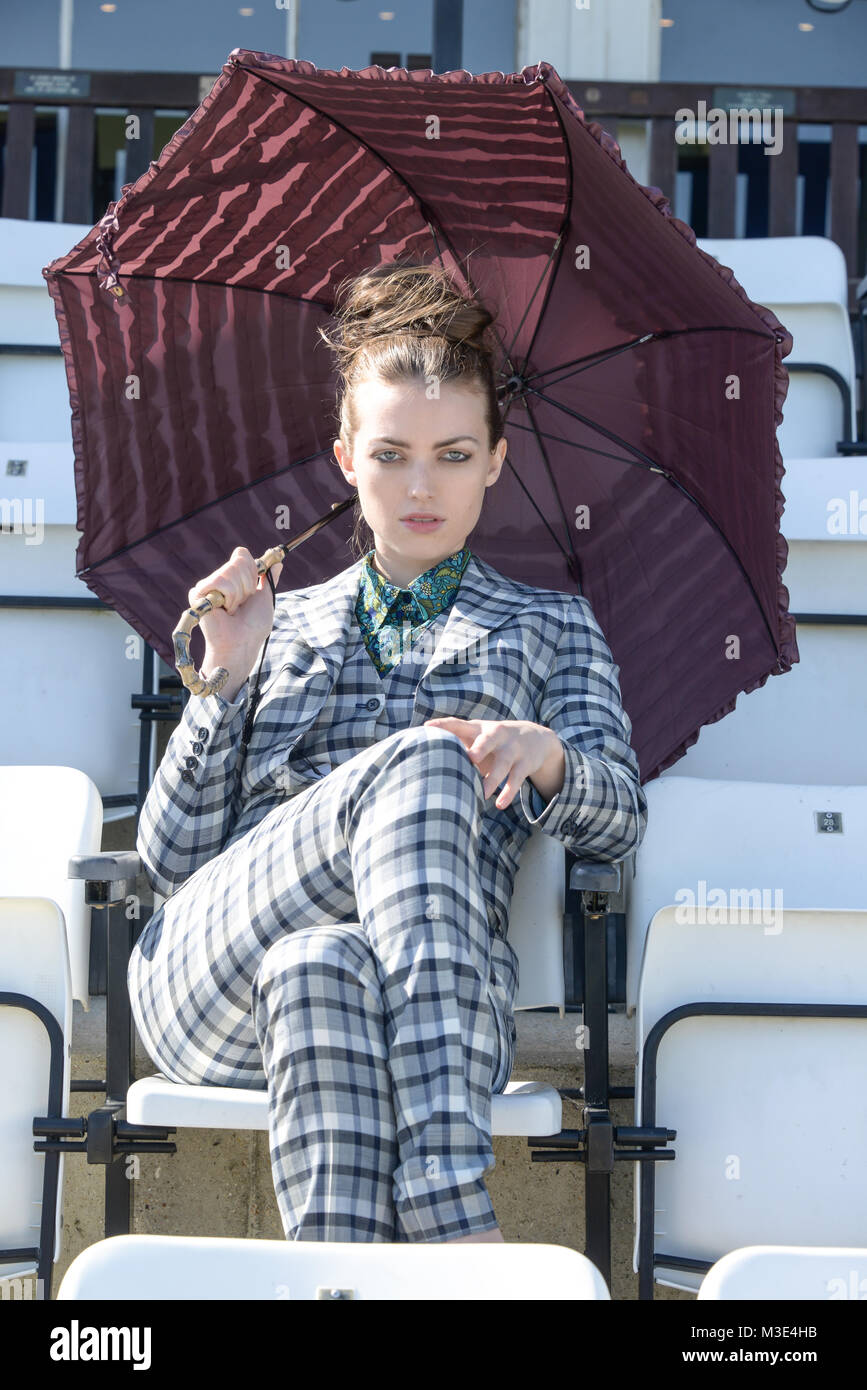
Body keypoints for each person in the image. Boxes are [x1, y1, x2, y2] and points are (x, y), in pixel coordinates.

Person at [128, 260, 648, 1245]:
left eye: (453, 455)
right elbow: (171, 862)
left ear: (496, 459)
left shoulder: (548, 628)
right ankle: (452, 1194)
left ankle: (344, 1280)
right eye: (392, 454)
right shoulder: (276, 624)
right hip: (205, 986)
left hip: (432, 1017)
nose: (421, 487)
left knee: (323, 964)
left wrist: (546, 758)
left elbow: (619, 816)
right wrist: (225, 682)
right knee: (423, 762)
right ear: (345, 458)